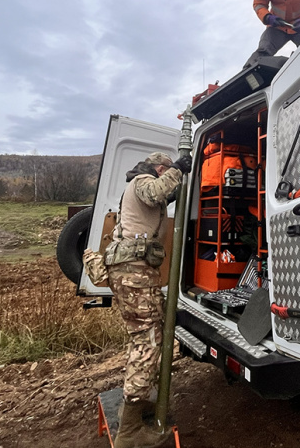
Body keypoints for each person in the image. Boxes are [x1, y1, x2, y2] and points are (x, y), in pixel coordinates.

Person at [93, 151, 191, 448]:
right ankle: (130, 433)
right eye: (165, 170)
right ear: (159, 167)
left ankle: (131, 410)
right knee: (147, 342)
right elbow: (154, 192)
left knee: (146, 337)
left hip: (133, 273)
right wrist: (177, 170)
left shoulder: (140, 185)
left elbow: (157, 201)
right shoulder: (143, 179)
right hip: (133, 273)